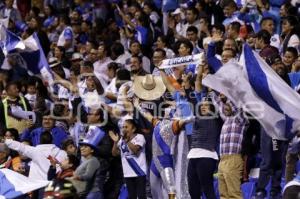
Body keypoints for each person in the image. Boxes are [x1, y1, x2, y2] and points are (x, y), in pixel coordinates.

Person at [109, 118, 147, 199]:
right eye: (123, 127)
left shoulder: (140, 137)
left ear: (133, 129)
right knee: (131, 196)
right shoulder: (122, 140)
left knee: (141, 196)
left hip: (139, 172)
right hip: (127, 173)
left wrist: (127, 140)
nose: (124, 129)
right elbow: (114, 153)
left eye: (126, 127)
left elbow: (135, 151)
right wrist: (115, 142)